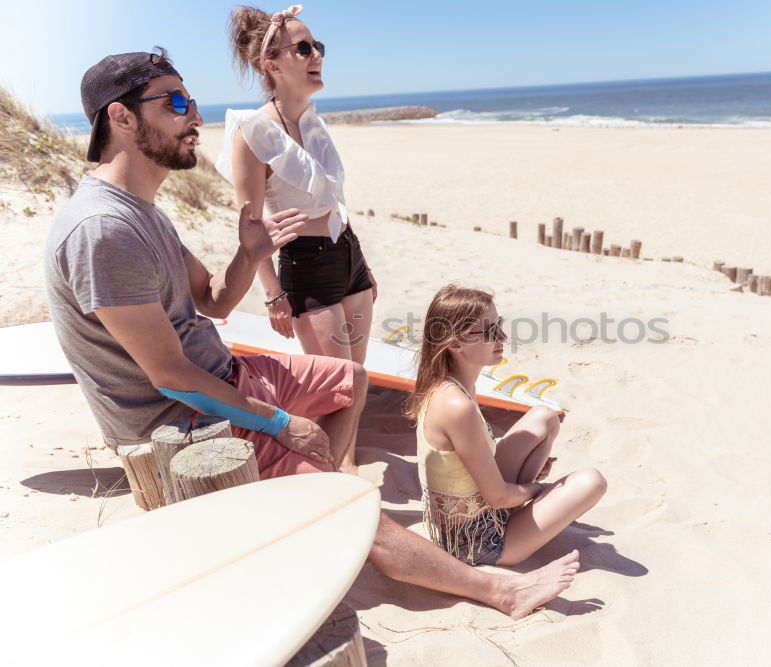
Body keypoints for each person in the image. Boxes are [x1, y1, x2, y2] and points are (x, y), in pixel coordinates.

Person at [43, 49, 579, 620]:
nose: (195, 114)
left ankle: (333, 476)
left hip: (224, 375)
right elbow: (170, 376)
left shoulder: (142, 210)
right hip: (181, 420)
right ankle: (496, 589)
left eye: (192, 100)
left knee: (351, 376)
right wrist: (278, 421)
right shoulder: (103, 229)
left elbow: (214, 299)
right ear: (121, 118)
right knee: (342, 501)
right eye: (176, 102)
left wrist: (251, 255)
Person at [216, 4, 374, 368]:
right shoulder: (254, 132)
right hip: (307, 265)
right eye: (303, 48)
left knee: (358, 379)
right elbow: (251, 227)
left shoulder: (313, 122)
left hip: (349, 255)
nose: (317, 54)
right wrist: (273, 294)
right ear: (271, 65)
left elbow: (335, 200)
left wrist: (363, 267)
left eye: (317, 45)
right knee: (338, 388)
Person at [406, 284, 607, 566]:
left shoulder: (450, 383)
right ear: (455, 344)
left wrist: (526, 479)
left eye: (498, 325)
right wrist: (539, 490)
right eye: (489, 332)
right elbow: (498, 496)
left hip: (474, 511)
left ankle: (523, 505)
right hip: (475, 541)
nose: (502, 336)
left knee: (544, 417)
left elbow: (466, 463)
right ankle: (524, 510)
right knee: (592, 481)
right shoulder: (456, 406)